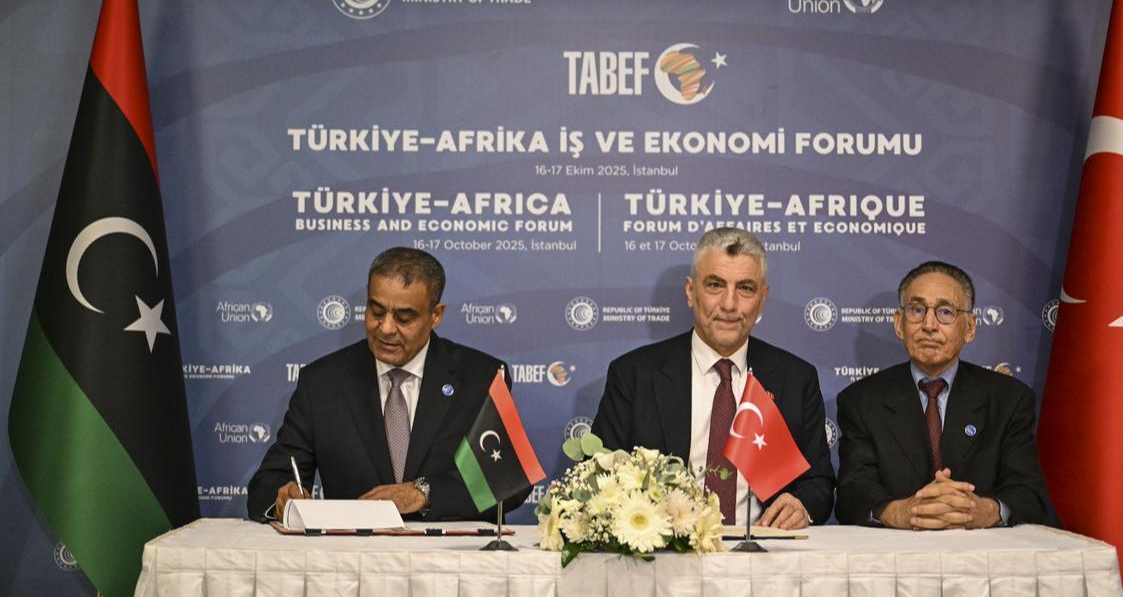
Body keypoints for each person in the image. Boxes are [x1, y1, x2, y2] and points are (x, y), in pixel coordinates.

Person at [247, 247, 529, 521]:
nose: (385, 328)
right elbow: (268, 484)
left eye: (404, 318)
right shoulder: (322, 383)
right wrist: (282, 498)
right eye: (376, 311)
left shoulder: (481, 378)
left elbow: (509, 483)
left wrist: (424, 494)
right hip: (352, 550)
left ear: (436, 315)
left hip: (447, 550)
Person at [592, 227, 835, 529]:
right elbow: (599, 477)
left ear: (762, 298)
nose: (729, 304)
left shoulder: (795, 379)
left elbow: (818, 484)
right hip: (666, 550)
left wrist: (801, 506)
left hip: (764, 548)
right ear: (690, 292)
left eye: (745, 288)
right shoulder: (634, 375)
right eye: (715, 285)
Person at [834, 261, 1052, 528]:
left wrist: (985, 510)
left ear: (970, 327)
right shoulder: (861, 401)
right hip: (897, 548)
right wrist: (898, 512)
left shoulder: (1009, 400)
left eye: (945, 312)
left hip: (982, 550)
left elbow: (1029, 495)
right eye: (917, 310)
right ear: (899, 324)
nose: (929, 325)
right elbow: (852, 494)